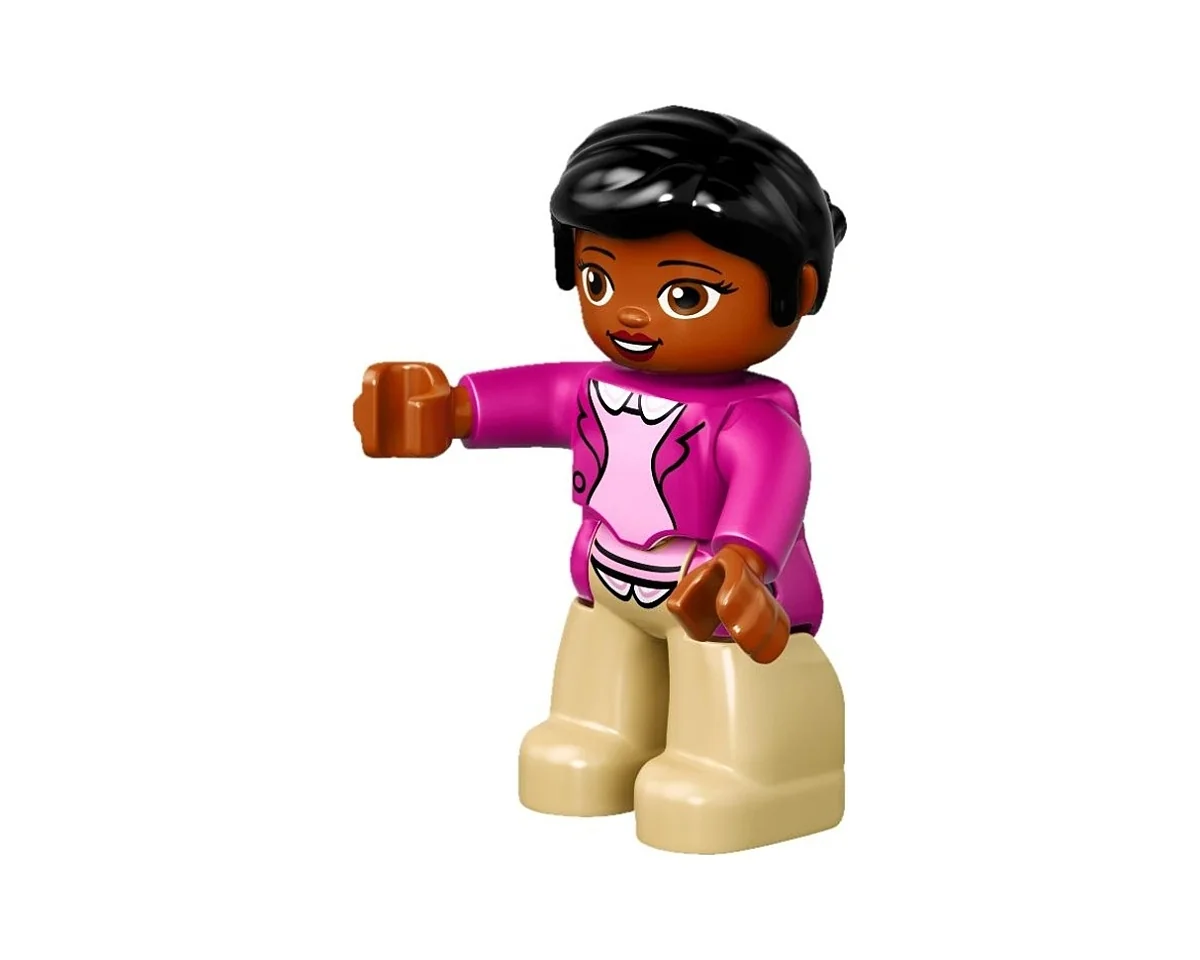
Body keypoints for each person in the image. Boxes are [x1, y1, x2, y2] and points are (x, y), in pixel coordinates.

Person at [353, 105, 848, 854]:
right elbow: (531, 398)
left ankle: (743, 770)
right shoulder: (595, 387)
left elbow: (771, 487)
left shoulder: (753, 419)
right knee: (598, 661)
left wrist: (744, 563)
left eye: (686, 295)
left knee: (723, 673)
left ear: (796, 290)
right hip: (611, 584)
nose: (633, 315)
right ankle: (600, 731)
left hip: (712, 602)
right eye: (599, 279)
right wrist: (450, 409)